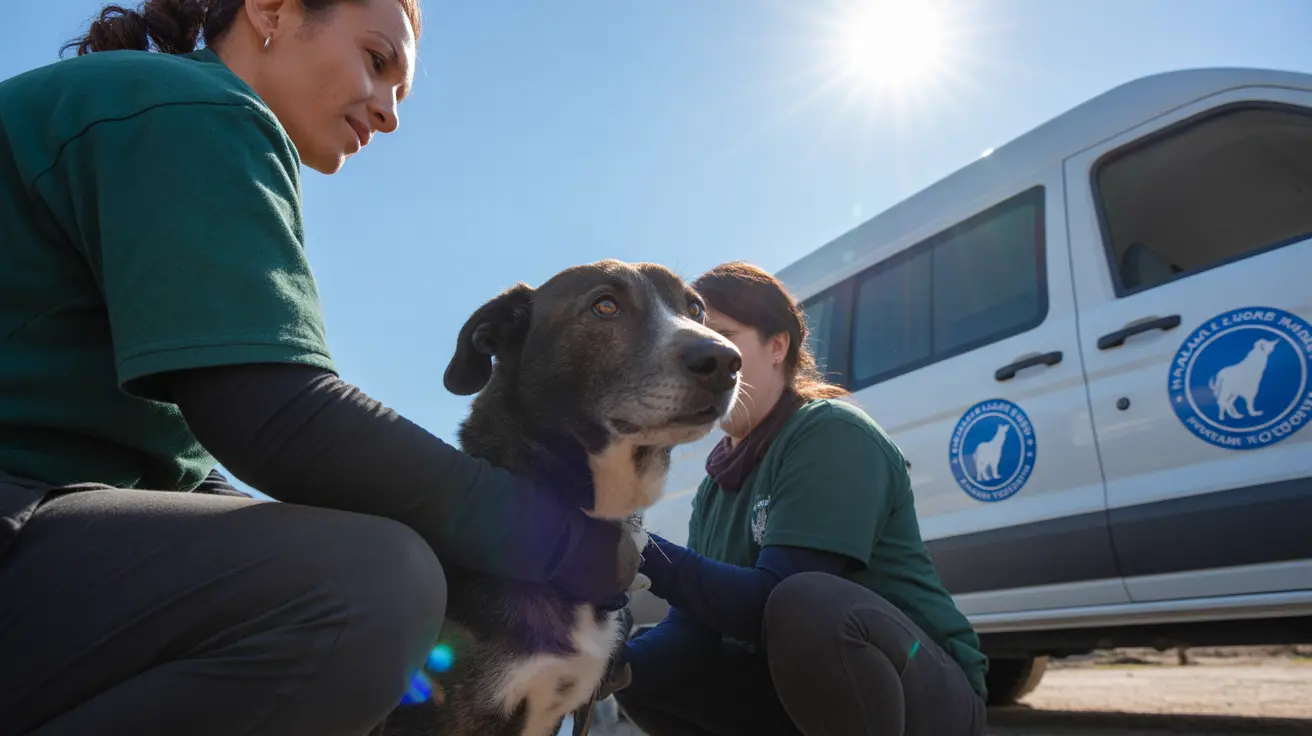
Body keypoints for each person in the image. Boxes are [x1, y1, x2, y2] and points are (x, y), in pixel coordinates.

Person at [0, 1, 639, 734]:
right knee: (370, 582)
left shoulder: (153, 110)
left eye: (401, 90)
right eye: (376, 60)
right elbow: (275, 416)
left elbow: (186, 474)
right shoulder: (189, 107)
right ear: (271, 11)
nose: (390, 112)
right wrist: (557, 541)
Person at [603, 261, 990, 735]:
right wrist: (613, 668)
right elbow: (693, 627)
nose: (701, 354)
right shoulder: (714, 487)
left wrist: (639, 547)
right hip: (807, 693)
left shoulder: (830, 432)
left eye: (722, 336)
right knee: (643, 674)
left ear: (777, 346)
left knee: (803, 601)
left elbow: (774, 604)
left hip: (925, 696)